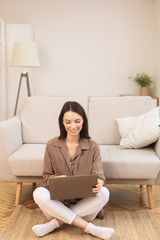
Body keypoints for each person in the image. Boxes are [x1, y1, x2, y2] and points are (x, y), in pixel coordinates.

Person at [32, 101, 114, 239]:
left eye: (77, 121)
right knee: (38, 192)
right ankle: (90, 228)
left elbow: (99, 176)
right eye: (68, 122)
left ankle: (53, 225)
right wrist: (56, 180)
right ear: (62, 122)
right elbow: (46, 177)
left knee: (104, 192)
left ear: (83, 121)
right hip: (57, 206)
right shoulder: (51, 145)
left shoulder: (93, 146)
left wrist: (99, 182)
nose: (73, 126)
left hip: (85, 208)